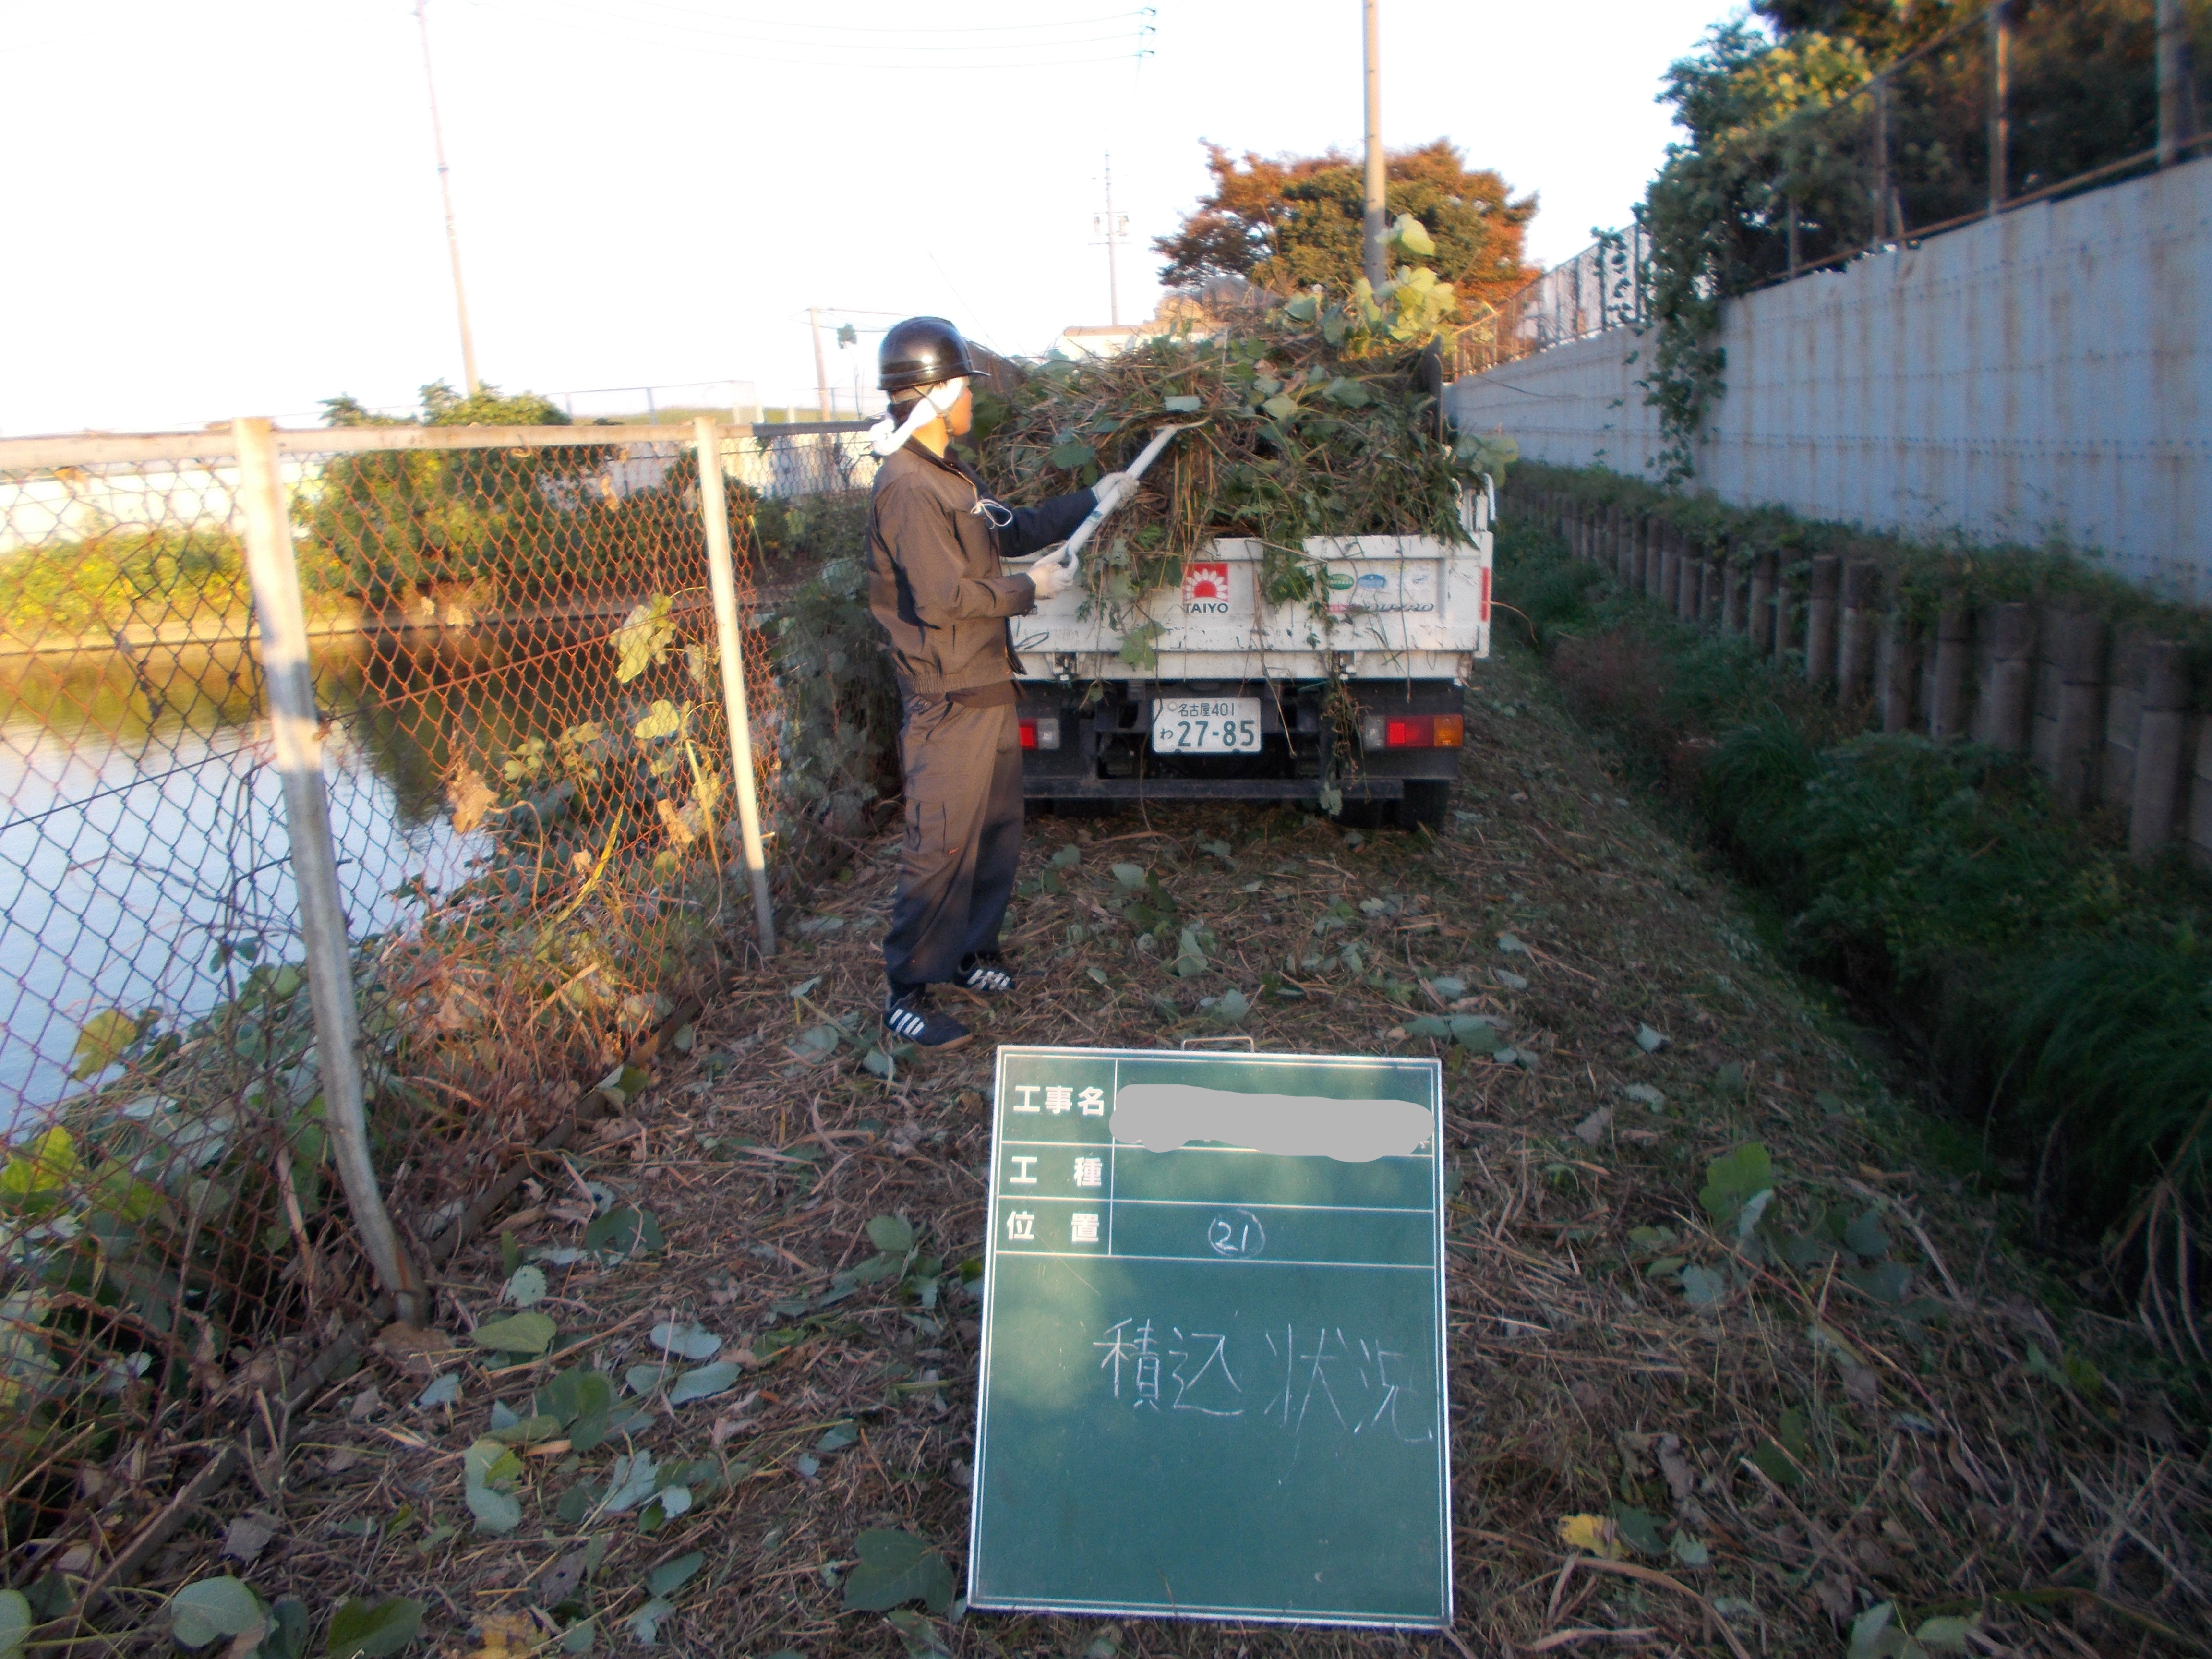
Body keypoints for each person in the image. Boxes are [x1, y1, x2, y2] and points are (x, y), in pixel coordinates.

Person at [863, 317, 1125, 1049]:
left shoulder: (950, 474)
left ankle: (972, 954)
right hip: (946, 696)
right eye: (965, 386)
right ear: (937, 392)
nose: (974, 399)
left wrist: (1094, 498)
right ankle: (907, 990)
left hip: (985, 683)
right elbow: (946, 599)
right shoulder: (909, 487)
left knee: (994, 833)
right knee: (941, 843)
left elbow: (1013, 527)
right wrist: (1028, 589)